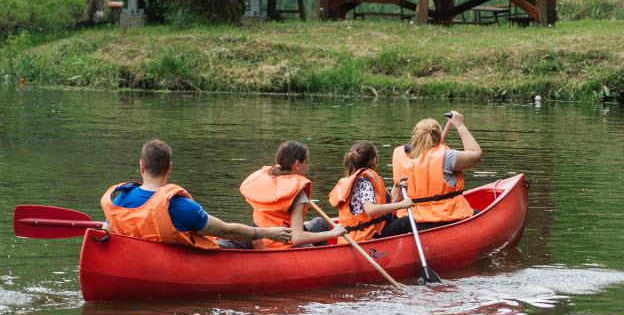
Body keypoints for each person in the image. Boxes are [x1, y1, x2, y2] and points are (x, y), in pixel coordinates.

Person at [100, 139, 292, 248]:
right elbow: (226, 230)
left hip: (138, 260)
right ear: (169, 168)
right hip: (177, 262)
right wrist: (267, 232)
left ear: (141, 166)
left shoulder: (121, 198)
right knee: (253, 236)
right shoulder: (178, 205)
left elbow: (106, 231)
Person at [382, 111, 481, 236]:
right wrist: (460, 125)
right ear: (438, 136)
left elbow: (396, 196)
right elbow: (476, 154)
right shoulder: (446, 156)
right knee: (477, 214)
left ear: (415, 136)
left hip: (412, 222)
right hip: (446, 219)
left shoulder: (401, 157)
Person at [238, 141, 348, 249]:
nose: (308, 167)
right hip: (281, 245)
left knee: (320, 223)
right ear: (297, 165)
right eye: (306, 163)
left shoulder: (266, 181)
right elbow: (297, 237)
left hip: (259, 241)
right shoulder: (297, 194)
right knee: (321, 232)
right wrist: (333, 233)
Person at [327, 142, 415, 242]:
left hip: (352, 236)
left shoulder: (353, 180)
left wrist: (395, 192)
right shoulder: (364, 182)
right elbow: (370, 210)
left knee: (395, 219)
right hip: (365, 236)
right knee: (407, 221)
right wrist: (402, 205)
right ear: (373, 160)